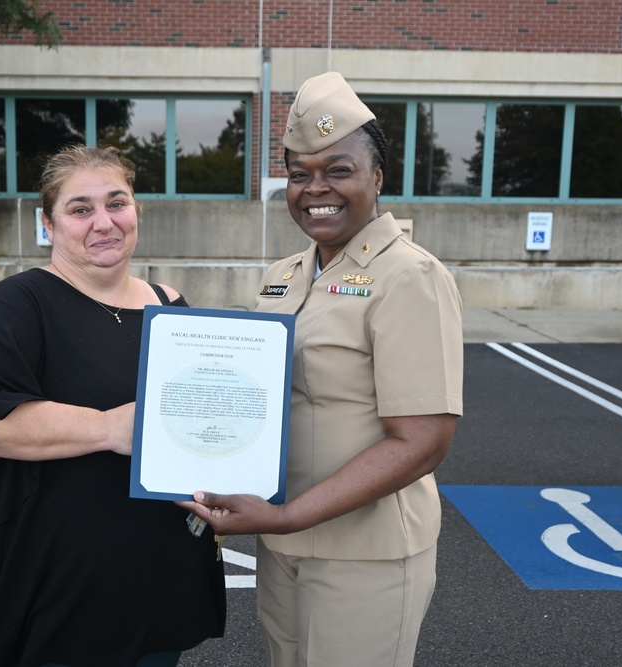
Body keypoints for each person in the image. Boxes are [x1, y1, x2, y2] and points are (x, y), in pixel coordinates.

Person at [181, 72, 463, 667]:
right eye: (300, 173)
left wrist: (284, 517)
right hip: (284, 544)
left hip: (366, 552)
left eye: (338, 170)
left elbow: (422, 442)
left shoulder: (409, 277)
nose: (316, 189)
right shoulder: (284, 274)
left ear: (377, 177)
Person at [0, 145, 226, 667]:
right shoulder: (19, 304)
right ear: (49, 224)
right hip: (58, 588)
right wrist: (111, 428)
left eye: (117, 203)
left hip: (157, 577)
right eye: (80, 209)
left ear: (137, 211)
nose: (103, 222)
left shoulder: (169, 304)